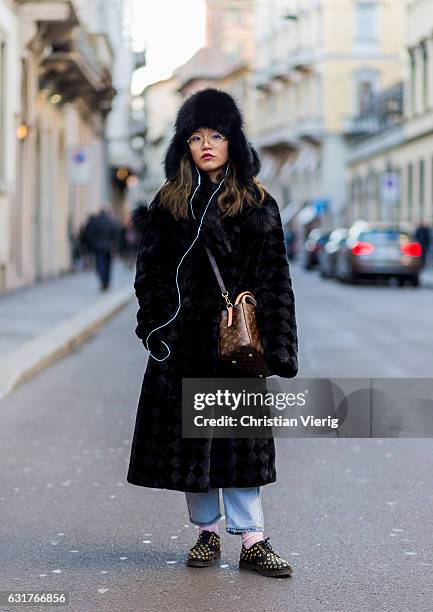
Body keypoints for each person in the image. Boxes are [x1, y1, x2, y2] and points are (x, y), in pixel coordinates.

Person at [126, 88, 298, 578]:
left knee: (239, 442)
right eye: (196, 137)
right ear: (184, 144)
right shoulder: (169, 204)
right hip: (183, 345)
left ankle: (253, 540)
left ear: (232, 143)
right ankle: (205, 533)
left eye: (216, 136)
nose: (206, 145)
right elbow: (150, 273)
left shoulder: (258, 204)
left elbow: (276, 279)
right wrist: (156, 328)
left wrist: (279, 346)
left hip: (236, 345)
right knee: (191, 447)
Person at [84, 204, 121, 291]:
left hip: (98, 247)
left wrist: (92, 244)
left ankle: (103, 282)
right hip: (108, 247)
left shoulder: (96, 221)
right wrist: (115, 246)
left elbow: (90, 235)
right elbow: (116, 235)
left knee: (100, 265)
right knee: (108, 266)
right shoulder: (111, 221)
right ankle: (106, 282)